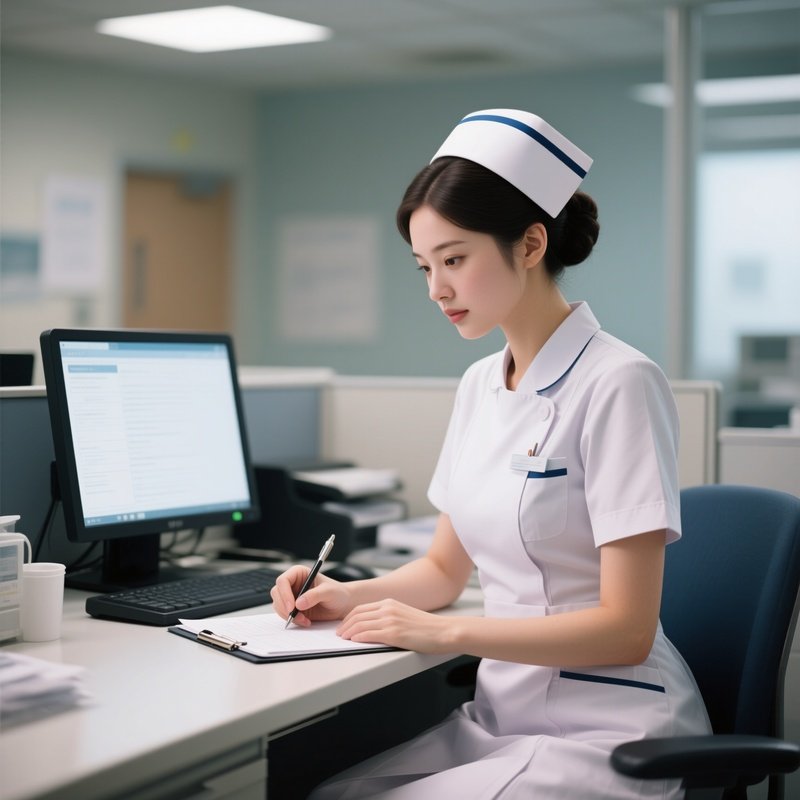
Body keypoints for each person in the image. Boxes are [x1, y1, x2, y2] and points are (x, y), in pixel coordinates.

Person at [270, 108, 711, 799]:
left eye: (454, 260)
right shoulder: (480, 383)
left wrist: (448, 637)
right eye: (424, 266)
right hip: (504, 716)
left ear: (531, 244)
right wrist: (342, 597)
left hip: (613, 728)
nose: (435, 290)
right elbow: (444, 572)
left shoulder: (619, 382)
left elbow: (627, 630)